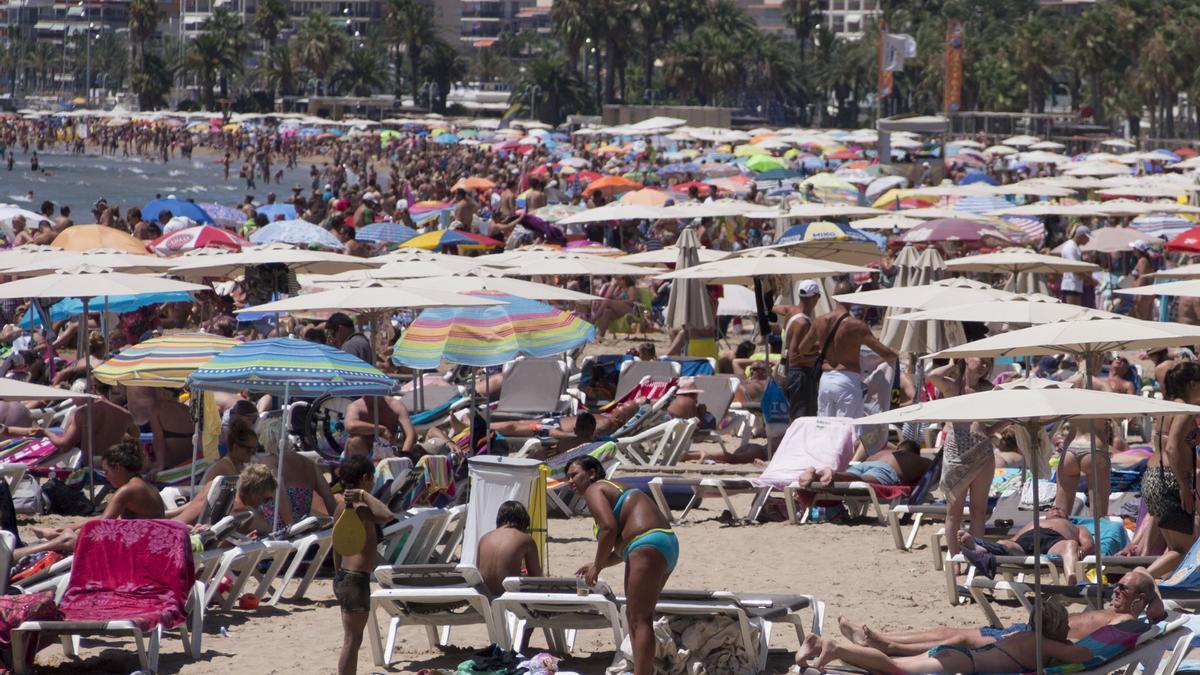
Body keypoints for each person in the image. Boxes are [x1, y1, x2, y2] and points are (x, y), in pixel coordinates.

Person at [835, 569, 1164, 657]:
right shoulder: (1117, 611)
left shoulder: (1124, 622)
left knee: (959, 638)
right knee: (946, 628)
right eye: (1117, 585)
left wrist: (1152, 601)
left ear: (1139, 601)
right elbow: (1140, 573)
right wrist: (1146, 591)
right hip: (1026, 631)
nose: (1116, 590)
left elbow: (1158, 611)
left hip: (1036, 643)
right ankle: (880, 639)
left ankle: (887, 646)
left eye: (1124, 589)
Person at [567, 456, 677, 675]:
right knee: (636, 616)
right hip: (663, 543)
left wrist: (597, 566)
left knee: (640, 618)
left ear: (591, 473)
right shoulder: (613, 489)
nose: (570, 481)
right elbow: (621, 550)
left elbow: (608, 528)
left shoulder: (595, 489)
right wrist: (598, 563)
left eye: (574, 474)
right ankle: (641, 670)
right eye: (567, 477)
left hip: (646, 543)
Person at [797, 601, 1087, 674]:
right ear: (1056, 628)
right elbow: (1085, 656)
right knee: (894, 668)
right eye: (1065, 625)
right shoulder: (1044, 642)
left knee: (890, 666)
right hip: (958, 662)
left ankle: (821, 645)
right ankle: (833, 648)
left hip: (955, 655)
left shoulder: (1025, 634)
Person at [927, 358, 1008, 564]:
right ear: (967, 359)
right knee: (953, 512)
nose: (985, 366)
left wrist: (995, 427)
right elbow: (933, 376)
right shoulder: (954, 387)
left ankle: (975, 557)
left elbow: (1007, 414)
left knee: (978, 510)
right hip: (956, 454)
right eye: (981, 361)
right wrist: (953, 363)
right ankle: (955, 559)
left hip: (982, 452)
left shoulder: (990, 390)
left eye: (988, 363)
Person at [26, 440, 165, 553]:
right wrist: (70, 526)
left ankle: (28, 550)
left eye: (107, 472)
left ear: (118, 467)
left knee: (69, 541)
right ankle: (55, 535)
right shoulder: (144, 485)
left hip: (143, 547)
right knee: (73, 533)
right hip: (152, 540)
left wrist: (72, 532)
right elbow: (106, 517)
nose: (106, 477)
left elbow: (102, 525)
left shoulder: (127, 490)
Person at [797, 282, 898, 422]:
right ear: (851, 297)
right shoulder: (856, 326)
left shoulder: (819, 321)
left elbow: (802, 349)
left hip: (825, 380)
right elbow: (884, 353)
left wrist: (821, 345)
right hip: (847, 379)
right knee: (847, 430)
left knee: (825, 428)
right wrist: (894, 354)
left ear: (834, 297)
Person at [333, 455, 394, 675]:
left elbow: (336, 546)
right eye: (372, 479)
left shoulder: (341, 507)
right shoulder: (360, 507)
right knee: (353, 639)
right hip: (356, 580)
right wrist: (364, 495)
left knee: (351, 637)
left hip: (343, 576)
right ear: (366, 478)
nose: (374, 483)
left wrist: (336, 575)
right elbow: (387, 515)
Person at [1142, 361, 1200, 577]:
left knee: (1174, 546)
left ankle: (1163, 586)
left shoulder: (1168, 407)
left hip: (1153, 477)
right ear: (1193, 383)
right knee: (1182, 550)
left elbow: (1167, 441)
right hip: (1170, 479)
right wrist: (1185, 486)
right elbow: (1172, 447)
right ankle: (1139, 580)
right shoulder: (1185, 408)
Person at [957, 505, 1094, 585]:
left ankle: (1072, 577)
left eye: (1059, 509)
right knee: (1006, 544)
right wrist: (1009, 543)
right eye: (1051, 508)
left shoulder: (1076, 526)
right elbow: (1015, 539)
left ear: (1067, 516)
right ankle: (980, 548)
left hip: (1056, 541)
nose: (1055, 508)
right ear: (1045, 515)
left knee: (1070, 544)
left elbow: (1088, 543)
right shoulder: (1035, 522)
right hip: (1029, 539)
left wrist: (1082, 550)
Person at [168, 417, 260, 525]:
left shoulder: (240, 466)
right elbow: (201, 503)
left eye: (255, 449)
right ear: (235, 447)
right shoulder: (225, 468)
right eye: (249, 449)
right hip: (200, 513)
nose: (253, 453)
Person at [46, 380, 140, 461]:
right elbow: (136, 436)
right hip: (114, 466)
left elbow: (64, 446)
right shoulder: (125, 414)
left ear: (93, 388)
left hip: (90, 468)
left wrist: (46, 433)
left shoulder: (81, 413)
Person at [796, 440, 931, 488]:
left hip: (864, 464)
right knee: (864, 480)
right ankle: (834, 474)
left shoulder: (883, 452)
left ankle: (815, 475)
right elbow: (934, 466)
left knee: (850, 475)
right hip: (886, 469)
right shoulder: (912, 458)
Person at [476, 501, 543, 595]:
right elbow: (536, 577)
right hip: (509, 599)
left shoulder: (484, 538)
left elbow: (481, 572)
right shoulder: (526, 539)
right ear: (523, 521)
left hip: (484, 599)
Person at [778, 280, 822, 418]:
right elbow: (796, 355)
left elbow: (774, 308)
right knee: (801, 417)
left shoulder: (791, 312)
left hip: (791, 372)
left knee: (796, 415)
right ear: (814, 297)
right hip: (800, 374)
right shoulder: (803, 322)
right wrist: (820, 350)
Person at [1054, 418, 1115, 517]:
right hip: (1094, 445)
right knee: (1098, 517)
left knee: (1060, 513)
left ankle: (1060, 531)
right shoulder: (1103, 402)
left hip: (1070, 445)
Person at [344, 394, 415, 459]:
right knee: (354, 441)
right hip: (363, 453)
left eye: (369, 392)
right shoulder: (356, 406)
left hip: (388, 452)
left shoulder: (395, 405)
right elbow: (350, 426)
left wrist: (404, 457)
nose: (365, 396)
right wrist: (381, 429)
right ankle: (359, 470)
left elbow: (410, 434)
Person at [1060, 225, 1091, 306]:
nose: (1088, 240)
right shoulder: (1070, 247)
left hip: (1075, 285)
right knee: (1073, 313)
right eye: (1087, 238)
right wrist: (1090, 280)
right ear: (1081, 236)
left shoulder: (1074, 247)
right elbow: (1074, 268)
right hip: (1071, 286)